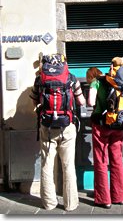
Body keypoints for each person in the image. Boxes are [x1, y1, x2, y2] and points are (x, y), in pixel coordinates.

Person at [30, 54, 85, 212]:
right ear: (64, 63)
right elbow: (81, 101)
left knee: (47, 165)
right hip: (67, 126)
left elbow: (34, 101)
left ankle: (49, 203)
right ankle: (70, 204)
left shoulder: (40, 79)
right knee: (68, 166)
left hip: (46, 126)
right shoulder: (71, 78)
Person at [86, 67, 123, 209]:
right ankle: (119, 196)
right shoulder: (114, 81)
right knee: (117, 159)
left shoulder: (94, 82)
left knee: (101, 160)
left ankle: (104, 199)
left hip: (101, 124)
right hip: (117, 124)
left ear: (90, 76)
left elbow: (91, 102)